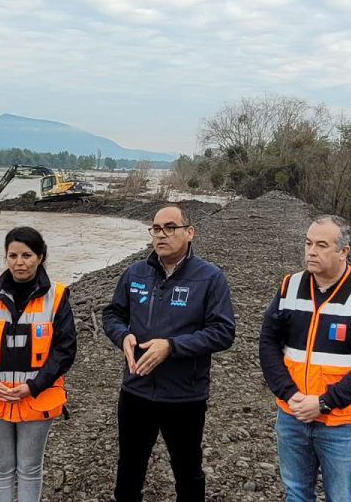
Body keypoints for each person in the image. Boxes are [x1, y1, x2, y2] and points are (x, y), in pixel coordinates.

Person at [103, 204, 236, 501]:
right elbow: (112, 314)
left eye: (170, 228)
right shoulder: (135, 273)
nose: (161, 235)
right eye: (156, 229)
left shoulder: (210, 278)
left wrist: (172, 346)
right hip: (136, 390)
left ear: (189, 232)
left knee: (188, 474)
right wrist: (122, 335)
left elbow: (223, 332)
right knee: (128, 472)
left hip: (184, 395)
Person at [258, 214, 351, 502]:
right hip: (292, 415)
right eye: (308, 243)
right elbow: (268, 343)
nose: (311, 251)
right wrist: (289, 393)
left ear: (344, 251)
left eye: (322, 245)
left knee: (341, 497)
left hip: (343, 423)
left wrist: (324, 403)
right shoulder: (289, 287)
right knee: (296, 493)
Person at [0, 226, 77, 502]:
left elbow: (65, 349)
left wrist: (34, 386)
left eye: (26, 255)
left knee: (29, 468)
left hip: (37, 396)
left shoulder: (57, 296)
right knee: (0, 468)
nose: (19, 262)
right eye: (12, 255)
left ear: (40, 256)